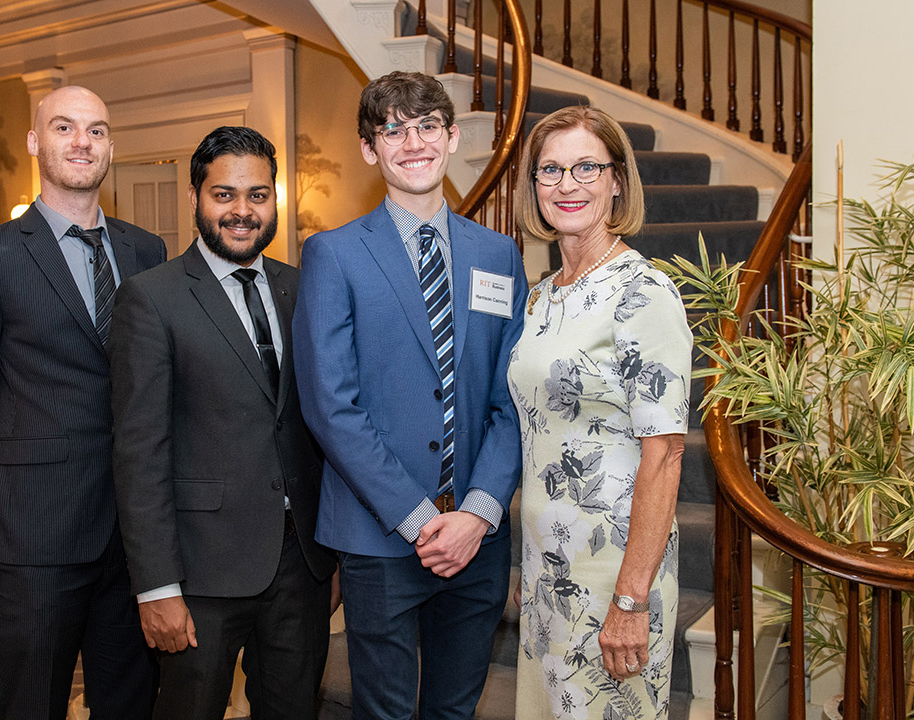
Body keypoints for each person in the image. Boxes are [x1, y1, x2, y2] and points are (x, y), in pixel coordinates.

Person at [292, 71, 527, 719]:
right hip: (379, 537)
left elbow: (513, 400)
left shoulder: (499, 255)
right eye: (392, 129)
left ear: (452, 137)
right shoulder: (333, 256)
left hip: (477, 539)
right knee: (385, 712)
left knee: (455, 710)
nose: (412, 142)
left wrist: (477, 514)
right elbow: (330, 407)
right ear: (370, 150)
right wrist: (424, 522)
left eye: (426, 126)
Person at [0, 85, 164, 719]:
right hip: (35, 528)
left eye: (96, 129)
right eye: (64, 128)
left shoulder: (147, 251)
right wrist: (9, 474)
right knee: (34, 703)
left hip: (133, 531)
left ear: (111, 146)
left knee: (131, 702)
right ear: (35, 143)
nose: (82, 142)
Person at [108, 125, 338, 720]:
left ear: (275, 201)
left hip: (300, 564)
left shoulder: (302, 285)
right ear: (195, 198)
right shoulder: (150, 297)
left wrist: (330, 557)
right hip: (199, 571)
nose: (242, 211)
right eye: (224, 194)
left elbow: (322, 426)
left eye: (258, 195)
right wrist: (155, 586)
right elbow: (139, 453)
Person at [508, 105, 692, 718]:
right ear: (533, 187)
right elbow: (539, 439)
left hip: (614, 574)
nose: (568, 184)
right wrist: (527, 563)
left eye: (587, 166)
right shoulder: (540, 296)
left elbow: (664, 454)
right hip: (548, 570)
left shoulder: (644, 292)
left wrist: (631, 600)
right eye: (550, 170)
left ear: (617, 180)